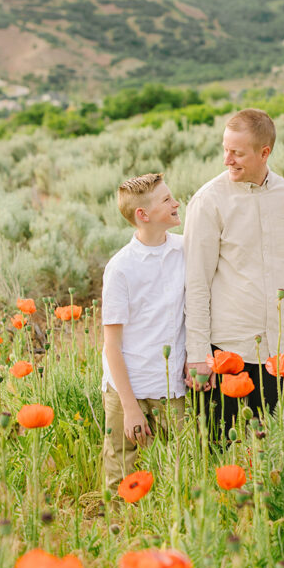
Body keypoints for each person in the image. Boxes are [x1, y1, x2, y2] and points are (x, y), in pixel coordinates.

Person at [183, 108, 284, 428]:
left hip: (279, 353)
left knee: (275, 451)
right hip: (227, 352)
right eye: (225, 150)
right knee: (221, 451)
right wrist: (197, 355)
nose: (227, 159)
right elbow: (196, 282)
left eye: (237, 153)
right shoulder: (208, 201)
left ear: (264, 153)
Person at [101, 173, 186, 490]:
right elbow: (112, 346)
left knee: (176, 470)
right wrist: (131, 408)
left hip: (172, 386)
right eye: (166, 200)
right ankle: (122, 532)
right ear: (143, 214)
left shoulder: (184, 250)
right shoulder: (121, 267)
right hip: (129, 388)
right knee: (122, 472)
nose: (176, 203)